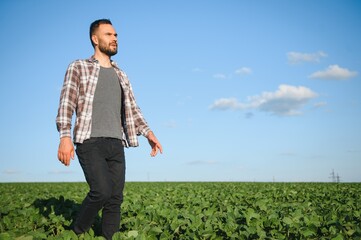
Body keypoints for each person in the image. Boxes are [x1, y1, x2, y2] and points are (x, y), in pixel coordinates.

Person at [56, 19, 162, 239]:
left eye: (116, 35)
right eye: (109, 35)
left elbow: (133, 109)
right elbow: (67, 102)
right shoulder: (79, 67)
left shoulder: (121, 75)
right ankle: (76, 232)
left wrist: (149, 133)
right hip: (89, 141)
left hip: (116, 142)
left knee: (115, 198)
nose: (115, 38)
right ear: (95, 39)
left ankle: (108, 237)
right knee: (101, 192)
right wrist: (64, 136)